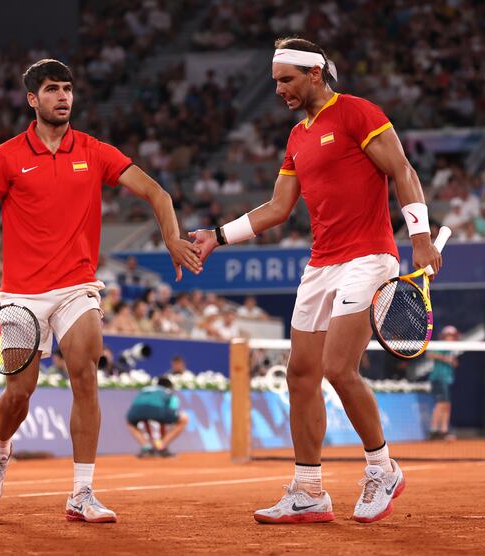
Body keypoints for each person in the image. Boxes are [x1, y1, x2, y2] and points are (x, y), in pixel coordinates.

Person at [191, 38, 442, 525]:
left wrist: (421, 237)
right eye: (275, 82)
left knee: (338, 368)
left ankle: (382, 468)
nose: (279, 89)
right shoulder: (297, 137)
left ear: (314, 74)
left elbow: (402, 170)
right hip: (320, 265)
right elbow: (278, 209)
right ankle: (308, 490)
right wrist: (216, 237)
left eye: (286, 80)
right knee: (300, 374)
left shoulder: (357, 112)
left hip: (368, 259)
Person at [0, 59, 201, 523]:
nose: (62, 97)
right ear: (33, 99)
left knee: (85, 374)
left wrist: (172, 237)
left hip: (77, 287)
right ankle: (1, 449)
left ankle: (82, 492)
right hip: (21, 297)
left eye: (67, 89)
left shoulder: (93, 150)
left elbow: (157, 193)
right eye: (52, 90)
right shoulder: (5, 156)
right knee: (19, 393)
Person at [125, 376, 189, 458]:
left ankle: (146, 447)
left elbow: (137, 404)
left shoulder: (145, 389)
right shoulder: (168, 392)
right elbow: (172, 409)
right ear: (169, 386)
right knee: (184, 419)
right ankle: (161, 447)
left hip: (136, 410)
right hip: (157, 410)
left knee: (130, 422)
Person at [427, 326, 459, 440]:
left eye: (453, 336)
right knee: (442, 403)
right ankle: (434, 430)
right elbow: (430, 354)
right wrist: (445, 359)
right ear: (446, 336)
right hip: (438, 378)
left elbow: (453, 362)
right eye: (450, 335)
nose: (452, 338)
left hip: (447, 378)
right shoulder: (440, 345)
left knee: (447, 405)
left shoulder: (452, 348)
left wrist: (453, 362)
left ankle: (443, 430)